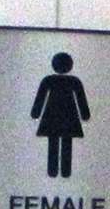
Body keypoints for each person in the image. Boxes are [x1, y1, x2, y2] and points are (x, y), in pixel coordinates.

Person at [32, 50, 91, 180]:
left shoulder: (49, 80)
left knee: (54, 142)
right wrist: (85, 114)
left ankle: (54, 172)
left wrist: (35, 113)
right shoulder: (74, 81)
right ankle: (64, 172)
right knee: (66, 143)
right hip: (69, 116)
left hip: (51, 116)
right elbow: (81, 100)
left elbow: (40, 98)